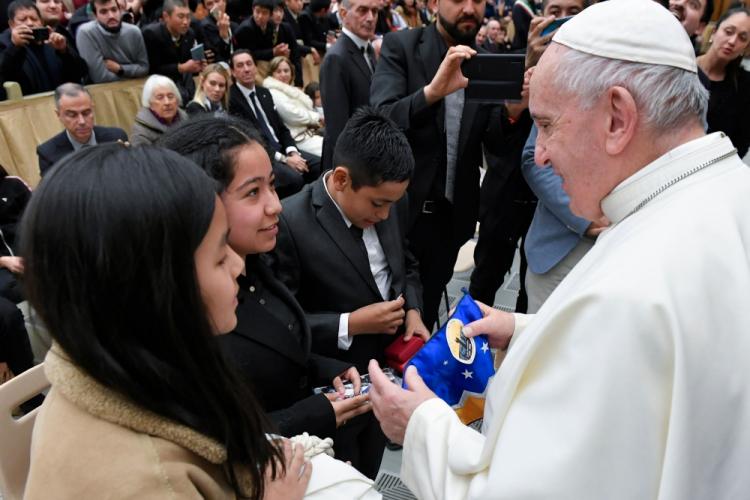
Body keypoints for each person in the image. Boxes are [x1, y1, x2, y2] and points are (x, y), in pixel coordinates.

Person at [368, 0, 750, 497]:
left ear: (617, 117)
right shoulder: (724, 195)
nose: (541, 152)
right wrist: (529, 331)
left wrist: (419, 425)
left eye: (547, 125)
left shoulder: (628, 289)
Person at [21, 143, 314, 499]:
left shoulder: (121, 359)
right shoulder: (148, 481)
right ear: (156, 291)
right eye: (221, 258)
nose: (238, 268)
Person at [158, 114, 388, 481]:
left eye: (271, 185)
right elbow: (210, 439)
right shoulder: (192, 310)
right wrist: (310, 414)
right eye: (253, 192)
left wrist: (321, 367)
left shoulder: (256, 257)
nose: (275, 205)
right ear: (200, 203)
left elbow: (282, 337)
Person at [370, 0, 525, 329]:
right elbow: (380, 120)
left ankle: (420, 377)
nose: (469, 8)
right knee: (391, 312)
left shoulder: (485, 61)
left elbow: (493, 145)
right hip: (400, 213)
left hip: (451, 219)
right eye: (457, 0)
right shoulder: (402, 47)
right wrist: (430, 93)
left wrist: (512, 113)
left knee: (427, 308)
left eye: (478, 1)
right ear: (434, 4)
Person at [274, 107, 429, 374]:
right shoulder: (289, 223)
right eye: (377, 204)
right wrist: (350, 324)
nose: (384, 215)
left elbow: (405, 263)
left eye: (392, 204)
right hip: (341, 369)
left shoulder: (392, 199)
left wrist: (413, 310)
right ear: (342, 179)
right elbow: (281, 323)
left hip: (397, 356)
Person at [228, 49, 320, 197]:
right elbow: (251, 139)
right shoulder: (231, 99)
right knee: (295, 179)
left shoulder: (264, 92)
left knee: (319, 164)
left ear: (255, 67)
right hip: (263, 155)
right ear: (233, 72)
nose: (246, 69)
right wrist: (285, 159)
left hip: (284, 150)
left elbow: (282, 128)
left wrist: (293, 152)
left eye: (249, 64)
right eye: (240, 65)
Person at [319, 0, 378, 171]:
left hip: (369, 154)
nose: (370, 18)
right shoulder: (336, 58)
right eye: (363, 10)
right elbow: (338, 127)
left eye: (374, 11)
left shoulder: (369, 50)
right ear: (344, 14)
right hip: (349, 164)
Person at [37, 83, 128, 176]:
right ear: (58, 115)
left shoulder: (116, 138)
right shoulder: (48, 153)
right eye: (72, 115)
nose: (82, 121)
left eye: (86, 113)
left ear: (93, 109)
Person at [0, 0, 86, 95]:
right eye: (23, 19)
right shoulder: (4, 43)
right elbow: (5, 74)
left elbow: (80, 73)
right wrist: (15, 47)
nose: (30, 23)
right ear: (11, 24)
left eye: (34, 19)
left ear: (41, 22)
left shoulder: (52, 40)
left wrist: (64, 51)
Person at [698, 6, 750, 158]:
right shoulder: (685, 64)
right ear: (714, 32)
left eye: (742, 38)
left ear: (745, 48)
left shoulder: (745, 86)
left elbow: (740, 145)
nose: (732, 41)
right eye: (728, 31)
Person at [141, 0, 205, 103]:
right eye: (180, 16)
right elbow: (152, 68)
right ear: (166, 16)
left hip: (185, 85)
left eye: (188, 17)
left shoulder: (190, 33)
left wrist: (197, 66)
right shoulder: (152, 34)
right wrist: (181, 68)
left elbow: (188, 63)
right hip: (161, 87)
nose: (185, 22)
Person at [75, 0, 148, 83]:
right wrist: (133, 75)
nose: (111, 16)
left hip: (135, 87)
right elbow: (100, 77)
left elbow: (144, 68)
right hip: (102, 90)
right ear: (95, 15)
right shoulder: (86, 33)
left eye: (114, 10)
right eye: (103, 12)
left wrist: (120, 69)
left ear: (120, 10)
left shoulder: (134, 32)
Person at [263, 56, 323, 156]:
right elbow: (292, 114)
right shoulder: (273, 92)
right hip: (298, 140)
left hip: (310, 134)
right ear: (272, 74)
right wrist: (317, 117)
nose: (283, 74)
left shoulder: (292, 90)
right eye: (278, 71)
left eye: (286, 71)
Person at [235, 0, 298, 78]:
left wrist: (281, 51)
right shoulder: (246, 28)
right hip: (249, 64)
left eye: (264, 13)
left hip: (266, 61)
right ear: (252, 10)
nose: (260, 16)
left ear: (270, 15)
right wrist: (273, 52)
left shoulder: (271, 25)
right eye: (257, 12)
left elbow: (270, 46)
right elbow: (250, 53)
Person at [131, 74, 188, 145]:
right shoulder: (141, 131)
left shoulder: (187, 120)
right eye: (160, 98)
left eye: (170, 96)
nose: (167, 102)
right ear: (150, 103)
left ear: (177, 99)